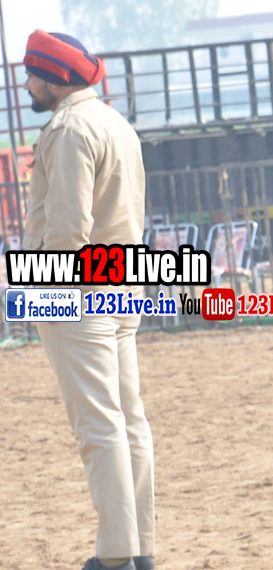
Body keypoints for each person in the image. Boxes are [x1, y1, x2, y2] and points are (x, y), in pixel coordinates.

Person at [22, 30, 154, 570]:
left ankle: (117, 556)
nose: (26, 85)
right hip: (122, 284)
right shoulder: (115, 122)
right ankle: (140, 548)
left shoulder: (69, 129)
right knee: (128, 420)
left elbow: (66, 230)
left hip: (79, 294)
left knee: (98, 427)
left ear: (55, 78)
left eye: (32, 75)